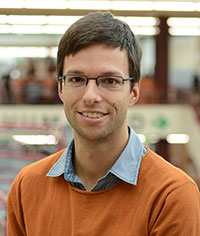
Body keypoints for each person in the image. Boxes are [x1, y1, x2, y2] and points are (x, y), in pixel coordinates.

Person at [7, 12, 200, 235]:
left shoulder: (171, 195)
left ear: (134, 91)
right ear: (60, 88)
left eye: (109, 81)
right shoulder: (27, 187)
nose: (91, 96)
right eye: (77, 79)